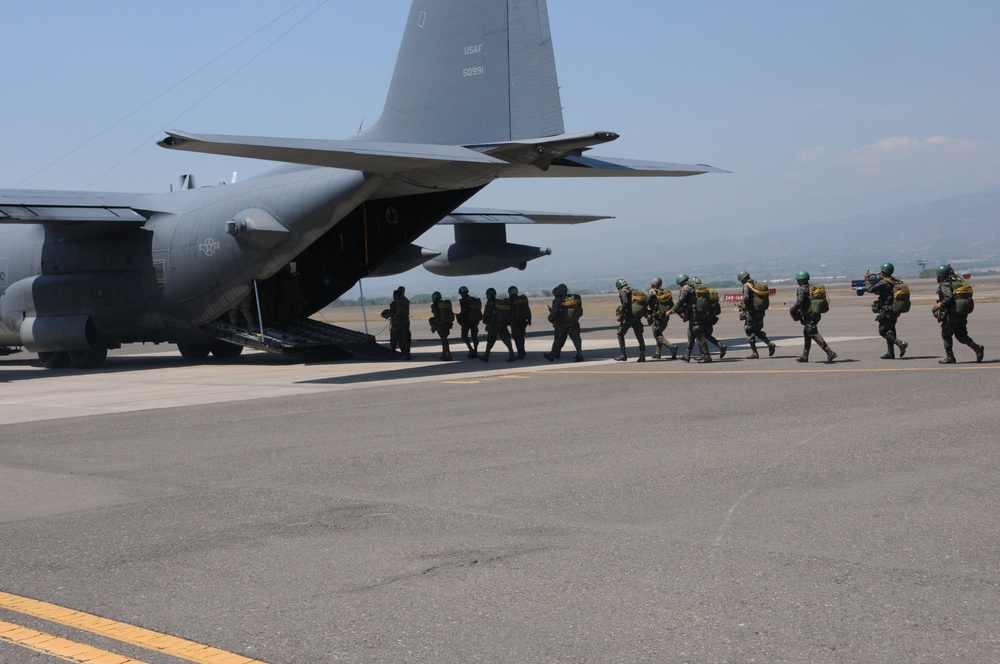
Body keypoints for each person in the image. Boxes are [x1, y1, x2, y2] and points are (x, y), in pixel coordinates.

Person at [932, 264, 984, 364]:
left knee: (946, 335)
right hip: (961, 313)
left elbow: (948, 297)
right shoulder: (957, 281)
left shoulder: (945, 285)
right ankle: (977, 348)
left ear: (942, 276)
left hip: (951, 315)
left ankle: (950, 357)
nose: (937, 277)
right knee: (961, 335)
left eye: (939, 275)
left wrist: (940, 304)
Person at [789, 270, 836, 363]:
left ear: (801, 280)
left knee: (813, 334)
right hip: (814, 314)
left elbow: (800, 302)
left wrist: (792, 309)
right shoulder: (810, 288)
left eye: (798, 280)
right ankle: (805, 356)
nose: (798, 282)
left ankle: (829, 352)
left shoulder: (802, 289)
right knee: (807, 333)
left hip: (808, 315)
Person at [864, 262, 909, 359]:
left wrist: (867, 280)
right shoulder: (894, 281)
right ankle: (890, 353)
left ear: (883, 272)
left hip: (887, 310)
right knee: (890, 330)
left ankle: (901, 343)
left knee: (883, 331)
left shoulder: (885, 282)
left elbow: (870, 289)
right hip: (894, 310)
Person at [667, 274, 711, 362]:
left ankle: (706, 356)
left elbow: (681, 301)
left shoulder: (685, 288)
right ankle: (687, 355)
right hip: (696, 314)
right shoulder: (693, 286)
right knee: (691, 333)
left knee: (699, 334)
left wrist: (671, 311)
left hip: (694, 314)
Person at [737, 270, 777, 359]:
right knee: (757, 330)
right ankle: (769, 343)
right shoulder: (756, 284)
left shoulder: (747, 286)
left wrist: (743, 306)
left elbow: (746, 298)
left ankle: (754, 352)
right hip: (760, 312)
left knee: (749, 331)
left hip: (751, 313)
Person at [543, 283, 584, 362]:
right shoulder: (573, 299)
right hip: (573, 323)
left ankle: (553, 355)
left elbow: (555, 312)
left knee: (558, 339)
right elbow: (580, 312)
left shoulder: (557, 300)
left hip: (561, 324)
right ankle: (580, 355)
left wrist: (550, 318)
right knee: (576, 339)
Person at [693, 277, 727, 359]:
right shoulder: (708, 291)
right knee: (707, 335)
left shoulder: (697, 293)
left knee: (700, 336)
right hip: (711, 317)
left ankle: (704, 355)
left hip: (702, 318)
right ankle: (720, 346)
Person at [480, 287, 515, 362]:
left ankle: (486, 356)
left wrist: (485, 321)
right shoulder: (498, 303)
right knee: (507, 340)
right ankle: (511, 354)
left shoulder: (489, 304)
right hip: (503, 324)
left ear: (489, 295)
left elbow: (485, 315)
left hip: (493, 326)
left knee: (490, 341)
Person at [614, 278, 645, 361]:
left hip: (628, 317)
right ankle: (642, 356)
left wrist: (620, 314)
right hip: (636, 316)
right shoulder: (632, 290)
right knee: (639, 335)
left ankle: (623, 355)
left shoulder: (622, 291)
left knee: (620, 334)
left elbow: (625, 302)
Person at [646, 277, 678, 360]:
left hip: (657, 317)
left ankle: (672, 347)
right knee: (659, 332)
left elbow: (645, 301)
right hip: (665, 316)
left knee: (657, 335)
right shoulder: (664, 293)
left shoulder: (652, 292)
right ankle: (658, 353)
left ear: (652, 284)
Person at [381, 286, 411, 359]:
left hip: (396, 324)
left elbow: (390, 313)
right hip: (405, 323)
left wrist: (385, 314)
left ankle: (393, 354)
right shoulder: (406, 301)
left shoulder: (394, 303)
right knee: (405, 339)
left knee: (394, 339)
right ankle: (407, 354)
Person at [456, 285, 482, 358]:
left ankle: (471, 350)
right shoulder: (473, 300)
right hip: (474, 321)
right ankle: (475, 351)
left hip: (466, 321)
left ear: (461, 293)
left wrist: (459, 316)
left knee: (464, 336)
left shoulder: (463, 300)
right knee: (474, 337)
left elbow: (464, 311)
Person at [508, 286, 531, 359]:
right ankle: (522, 351)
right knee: (521, 337)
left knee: (517, 338)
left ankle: (521, 353)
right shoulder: (522, 300)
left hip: (515, 322)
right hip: (523, 321)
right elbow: (528, 309)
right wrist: (529, 319)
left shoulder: (511, 301)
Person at [429, 291, 454, 361]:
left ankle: (448, 354)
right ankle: (444, 353)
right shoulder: (444, 304)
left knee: (443, 339)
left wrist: (434, 325)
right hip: (447, 323)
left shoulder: (435, 305)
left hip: (441, 324)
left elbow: (436, 316)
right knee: (444, 338)